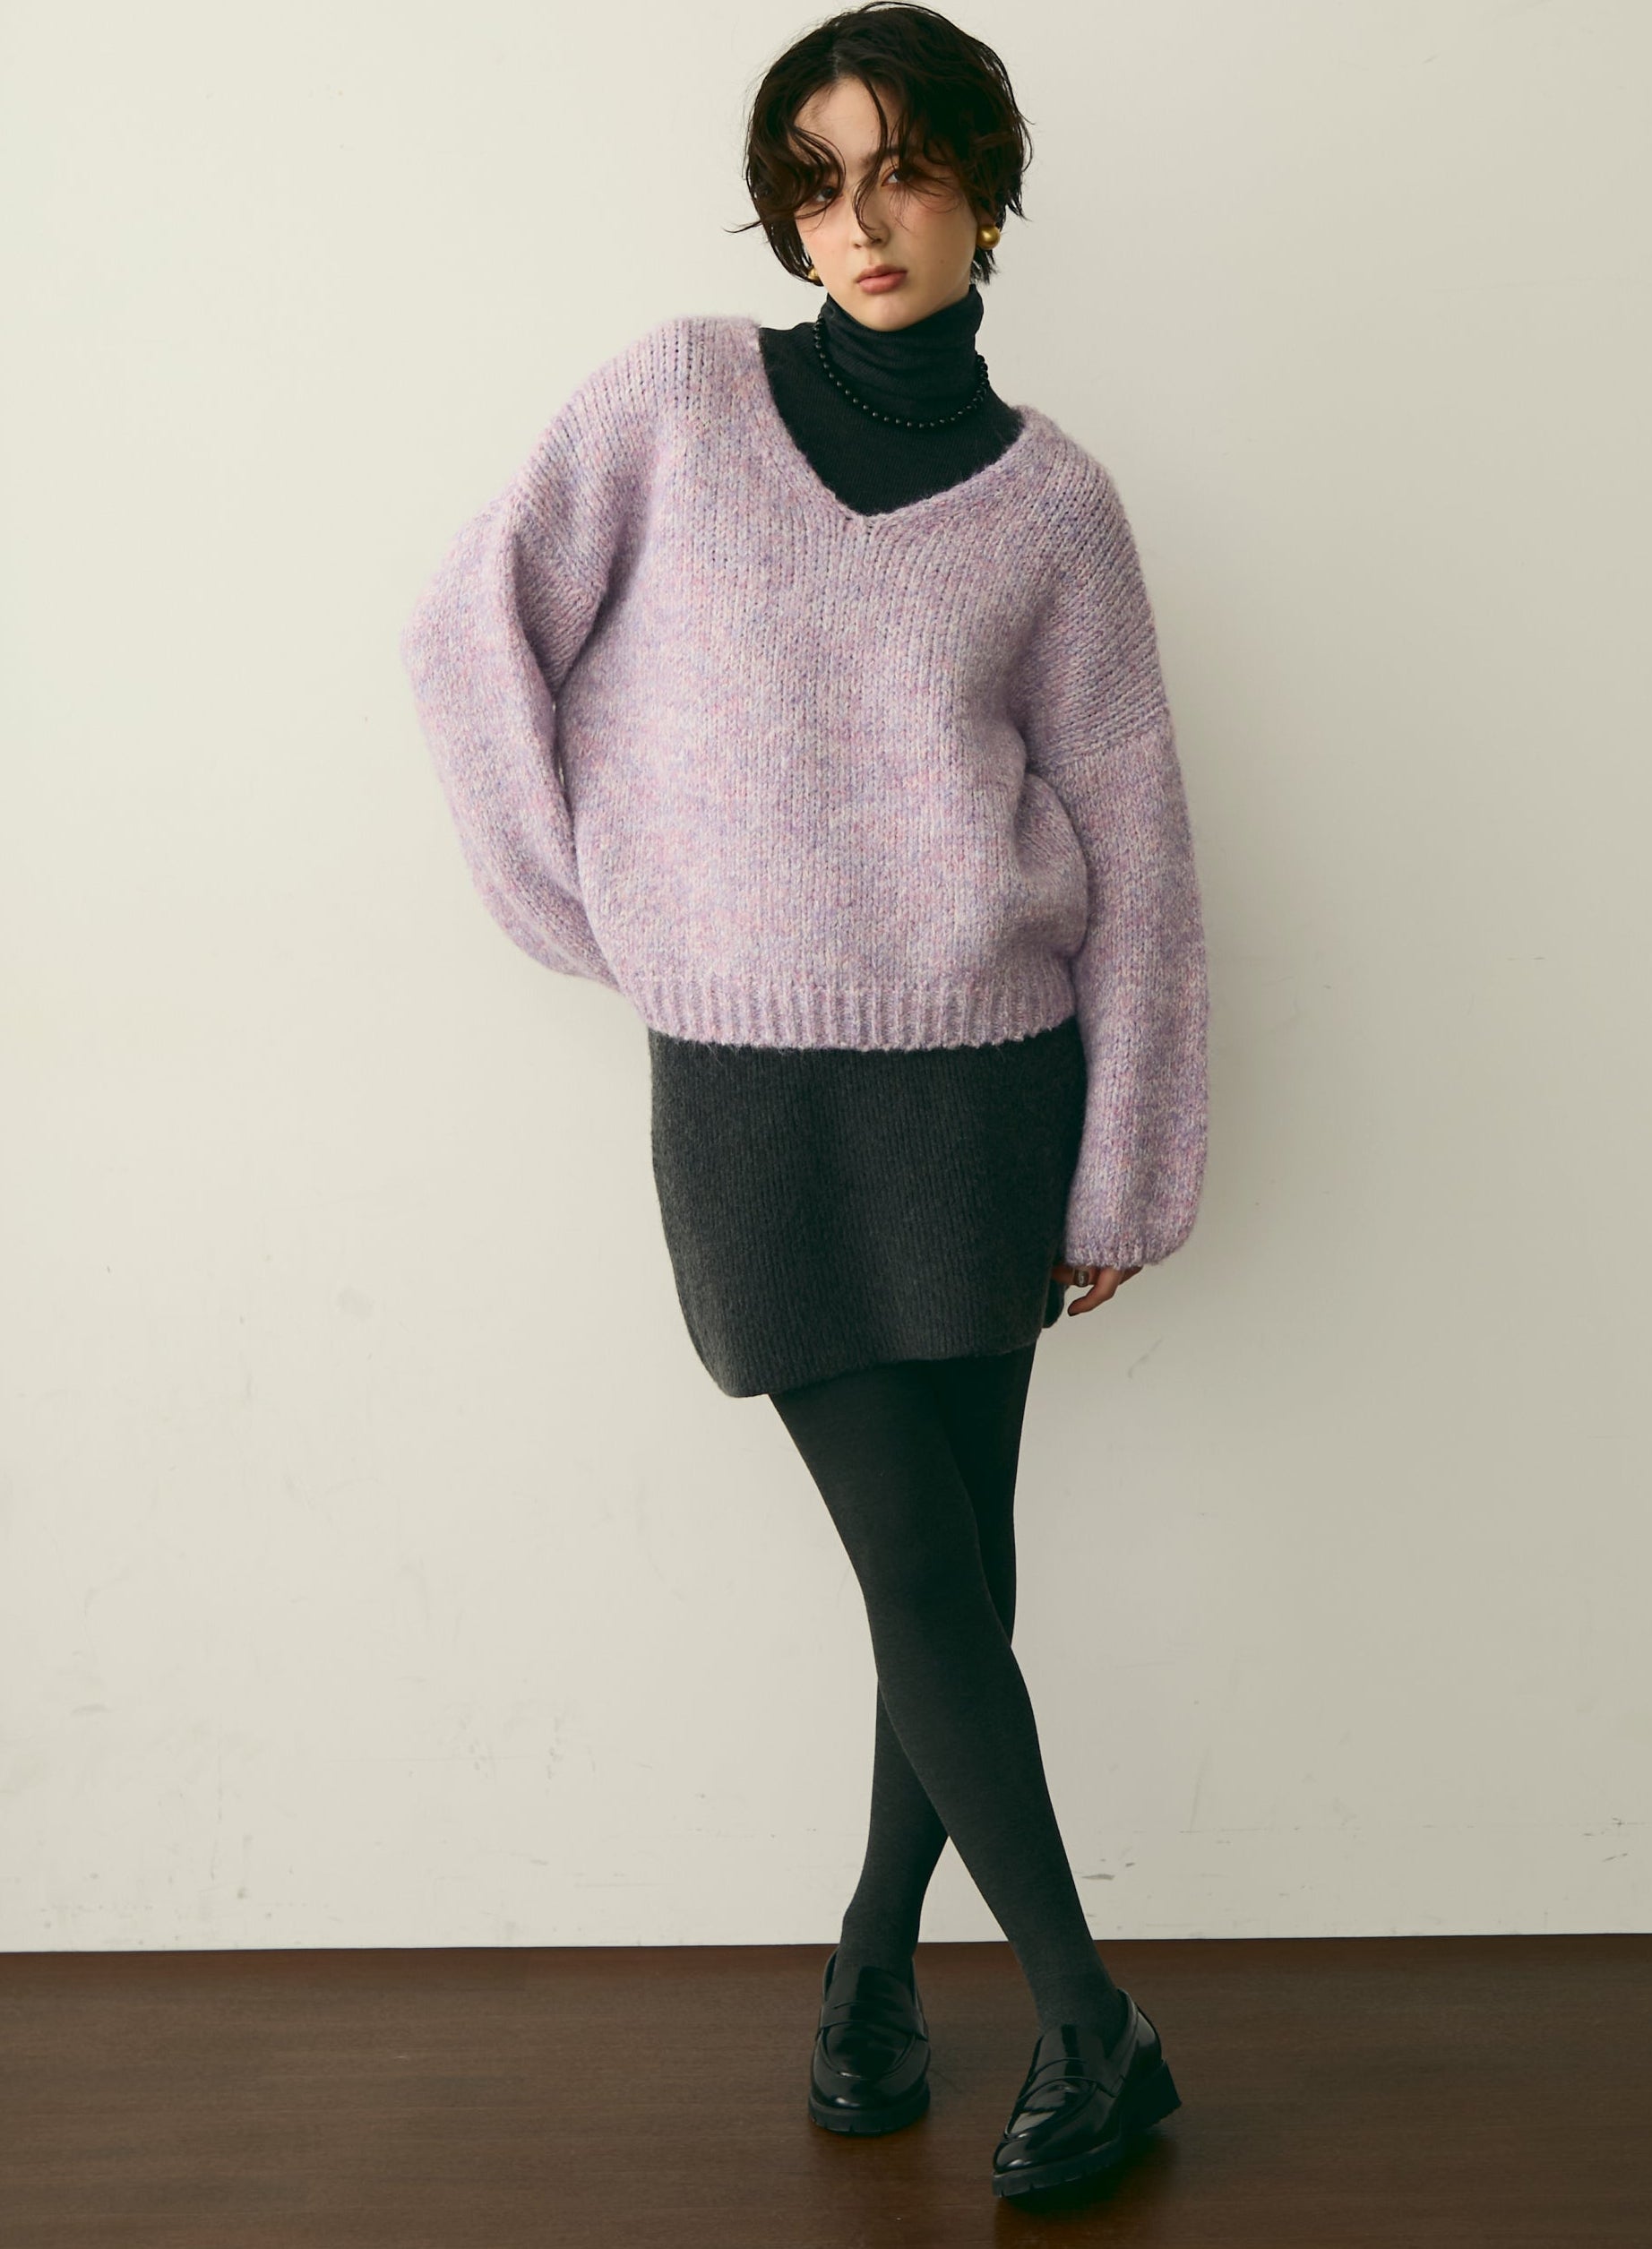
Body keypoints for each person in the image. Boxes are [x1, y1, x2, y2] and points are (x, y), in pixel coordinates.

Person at [399, 0, 1207, 2202]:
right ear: (782, 209)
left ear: (983, 199)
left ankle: (868, 1967)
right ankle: (1090, 2018)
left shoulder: (1057, 506)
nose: (863, 221)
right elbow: (464, 632)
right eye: (820, 181)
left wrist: (1127, 1160)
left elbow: (1138, 851)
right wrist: (599, 911)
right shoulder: (669, 401)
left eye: (907, 173)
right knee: (918, 1567)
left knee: (946, 1579)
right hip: (756, 1101)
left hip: (988, 1093)